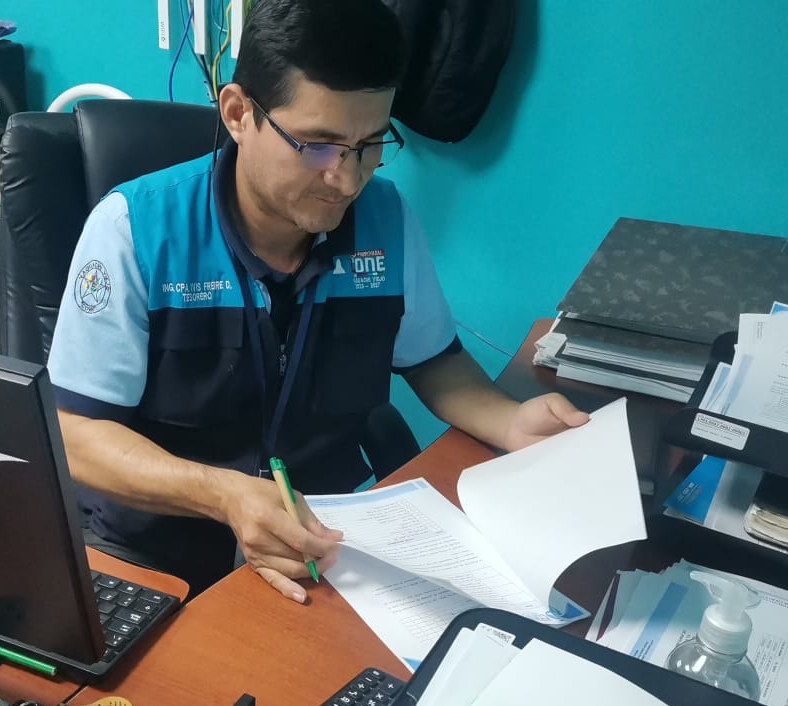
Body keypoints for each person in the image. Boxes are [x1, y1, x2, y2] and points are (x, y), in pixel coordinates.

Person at [47, 0, 587, 601]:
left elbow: (434, 362)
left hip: (323, 547)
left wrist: (509, 420)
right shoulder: (136, 231)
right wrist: (225, 496)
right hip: (160, 554)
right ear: (238, 114)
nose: (348, 180)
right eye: (319, 145)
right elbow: (77, 435)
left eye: (370, 144)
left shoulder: (385, 220)